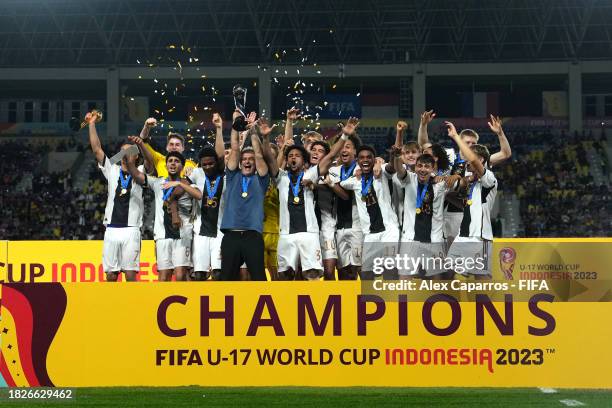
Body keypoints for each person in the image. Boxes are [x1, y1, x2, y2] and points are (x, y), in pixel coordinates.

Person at [274, 127, 345, 281]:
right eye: (310, 146)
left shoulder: (329, 171)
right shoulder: (294, 173)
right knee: (297, 270)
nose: (314, 151)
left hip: (324, 226)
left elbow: (332, 157)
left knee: (325, 272)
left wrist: (319, 185)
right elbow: (289, 155)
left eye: (319, 148)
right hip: (300, 228)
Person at [87, 112, 148, 282]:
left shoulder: (142, 171)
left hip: (131, 229)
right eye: (122, 152)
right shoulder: (112, 170)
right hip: (112, 229)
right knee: (111, 275)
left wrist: (145, 132)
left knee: (130, 275)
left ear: (136, 156)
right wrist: (92, 123)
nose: (125, 154)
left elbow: (145, 152)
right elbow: (97, 149)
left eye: (129, 152)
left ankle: (131, 307)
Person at [127, 151, 202, 281]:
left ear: (182, 167)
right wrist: (129, 161)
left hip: (183, 235)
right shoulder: (158, 183)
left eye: (177, 161)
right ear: (166, 166)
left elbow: (199, 195)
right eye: (170, 161)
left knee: (180, 276)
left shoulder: (188, 184)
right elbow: (137, 175)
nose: (173, 163)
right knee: (163, 277)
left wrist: (179, 184)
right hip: (162, 235)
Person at [219, 111, 270, 281]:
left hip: (253, 236)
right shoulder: (233, 175)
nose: (247, 161)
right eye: (244, 159)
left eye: (251, 159)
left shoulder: (261, 179)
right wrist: (236, 127)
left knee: (258, 278)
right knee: (226, 278)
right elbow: (234, 148)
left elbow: (259, 154)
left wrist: (253, 130)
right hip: (231, 235)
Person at [445, 121, 498, 279]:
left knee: (481, 279)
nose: (467, 159)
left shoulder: (488, 178)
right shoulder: (471, 183)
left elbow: (473, 160)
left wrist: (455, 136)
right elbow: (461, 203)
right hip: (465, 234)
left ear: (481, 159)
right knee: (447, 270)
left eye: (470, 155)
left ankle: (494, 302)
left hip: (479, 236)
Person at [394, 151, 459, 279]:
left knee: (436, 280)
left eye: (427, 166)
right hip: (410, 240)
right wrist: (396, 156)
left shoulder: (441, 183)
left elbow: (462, 185)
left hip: (434, 240)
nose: (423, 169)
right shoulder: (409, 179)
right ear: (415, 167)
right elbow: (398, 168)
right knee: (404, 279)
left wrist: (457, 177)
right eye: (420, 166)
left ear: (432, 168)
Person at [340, 145, 400, 280]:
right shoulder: (354, 181)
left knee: (389, 269)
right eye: (361, 158)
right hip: (370, 233)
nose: (365, 160)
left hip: (389, 231)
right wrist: (356, 170)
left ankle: (393, 300)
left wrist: (381, 162)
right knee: (366, 273)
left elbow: (392, 166)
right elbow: (343, 183)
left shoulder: (382, 172)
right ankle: (371, 300)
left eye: (369, 157)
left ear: (374, 159)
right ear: (357, 161)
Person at [188, 113, 227, 281]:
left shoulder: (224, 175)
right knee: (199, 274)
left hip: (220, 231)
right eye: (204, 164)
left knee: (219, 273)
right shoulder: (197, 174)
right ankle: (199, 305)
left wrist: (219, 129)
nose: (208, 166)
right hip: (201, 231)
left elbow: (220, 155)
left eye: (211, 163)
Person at [328, 121, 363, 280]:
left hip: (358, 226)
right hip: (339, 227)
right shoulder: (333, 170)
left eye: (348, 146)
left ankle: (368, 301)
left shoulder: (361, 169)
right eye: (341, 147)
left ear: (355, 151)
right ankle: (346, 302)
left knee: (360, 268)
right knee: (343, 270)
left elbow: (346, 195)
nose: (344, 149)